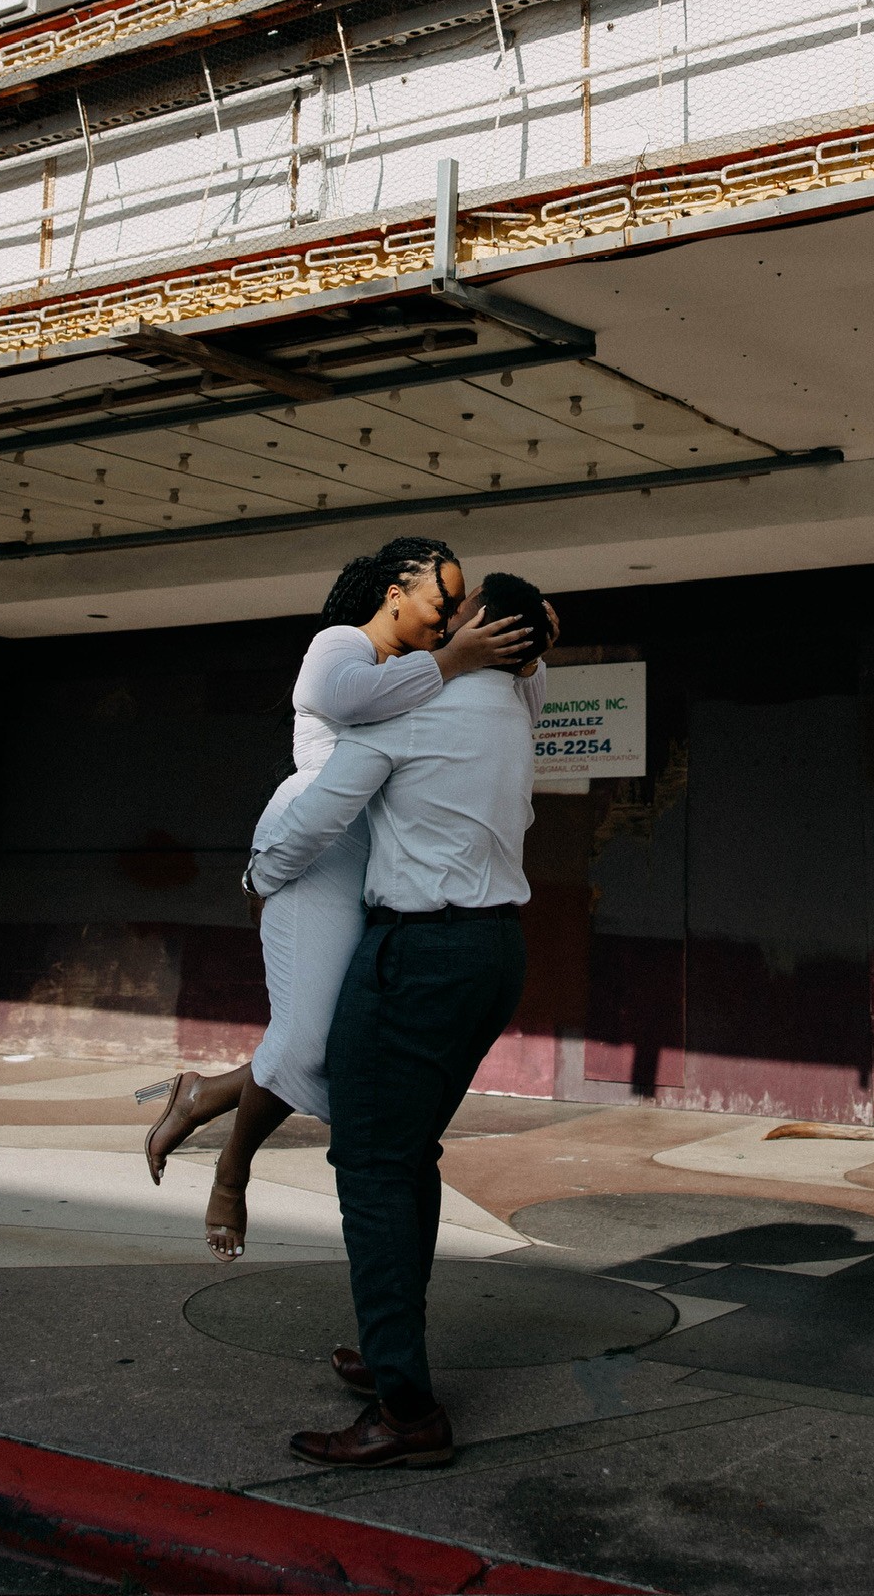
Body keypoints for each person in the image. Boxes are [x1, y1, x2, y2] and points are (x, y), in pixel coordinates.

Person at [136, 537, 545, 1256]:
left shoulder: (435, 668)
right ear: (395, 594)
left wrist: (532, 655)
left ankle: (205, 1096)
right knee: (308, 1042)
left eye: (461, 605)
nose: (451, 617)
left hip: (378, 859)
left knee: (343, 1041)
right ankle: (232, 1171)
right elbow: (351, 702)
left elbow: (514, 704)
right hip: (316, 852)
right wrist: (456, 660)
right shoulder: (341, 646)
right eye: (443, 601)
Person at [246, 569, 554, 1470]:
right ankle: (392, 1357)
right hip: (495, 954)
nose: (445, 618)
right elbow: (526, 672)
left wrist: (260, 876)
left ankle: (407, 1410)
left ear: (480, 627)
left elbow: (318, 817)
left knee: (373, 1166)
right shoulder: (514, 712)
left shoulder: (413, 708)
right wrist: (535, 647)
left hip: (417, 956)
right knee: (409, 1155)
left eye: (461, 609)